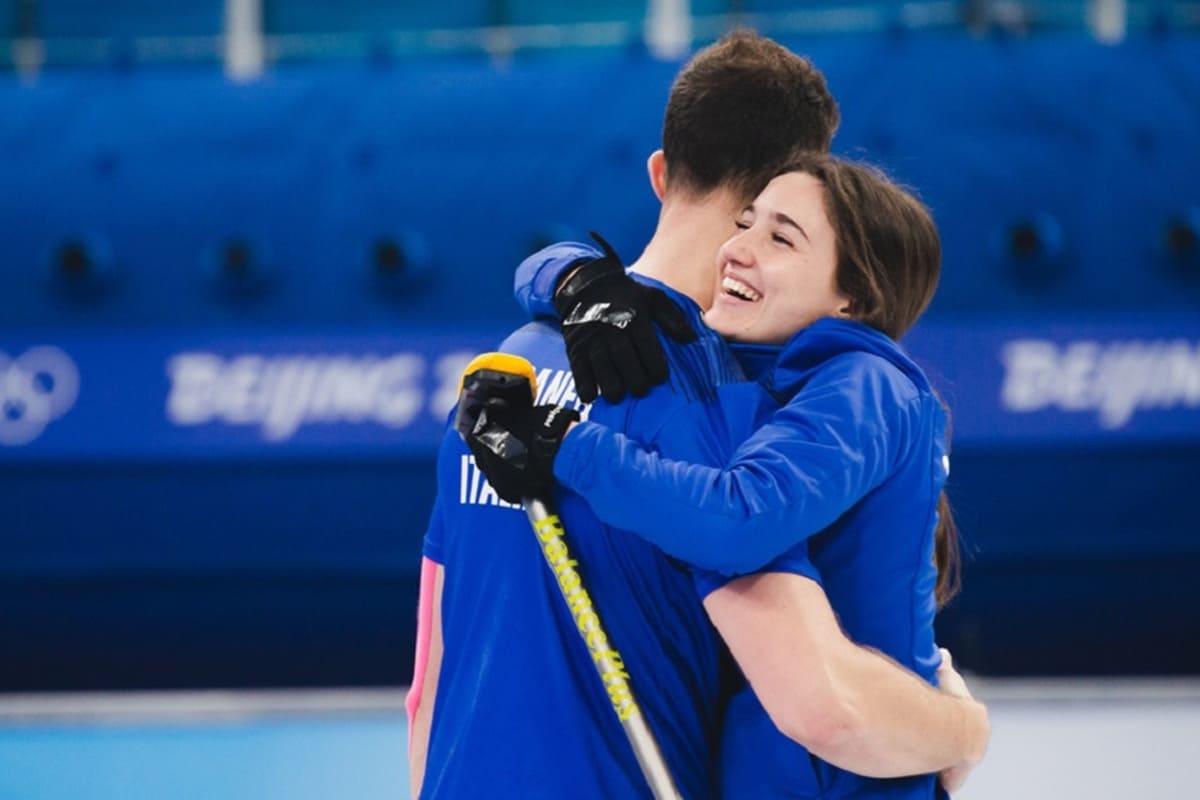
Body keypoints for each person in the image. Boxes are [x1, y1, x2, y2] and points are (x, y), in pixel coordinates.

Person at [410, 32, 987, 800]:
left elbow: (428, 680)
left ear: (659, 172)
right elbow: (820, 704)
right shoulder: (720, 407)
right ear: (781, 188)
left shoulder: (503, 372)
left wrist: (567, 274)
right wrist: (964, 729)